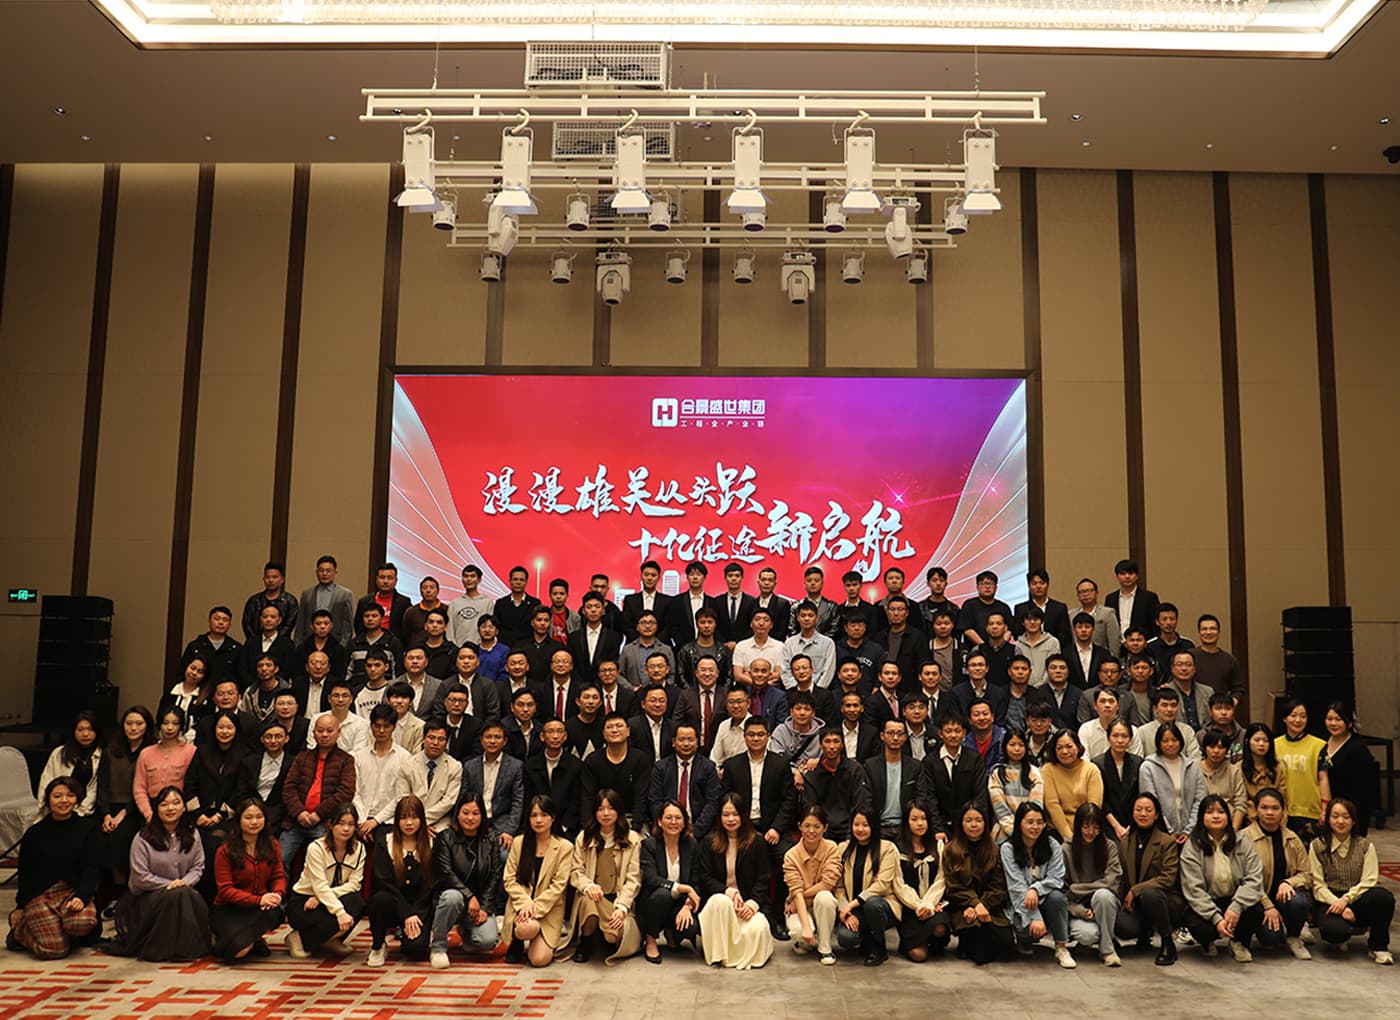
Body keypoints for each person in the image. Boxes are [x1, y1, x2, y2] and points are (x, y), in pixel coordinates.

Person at [106, 786, 209, 961]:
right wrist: (171, 885)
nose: (171, 808)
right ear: (156, 809)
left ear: (184, 807)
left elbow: (198, 867)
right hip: (148, 899)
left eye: (176, 803)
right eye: (164, 804)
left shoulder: (193, 833)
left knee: (185, 895)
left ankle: (184, 946)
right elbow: (140, 878)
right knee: (179, 894)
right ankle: (164, 948)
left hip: (183, 894)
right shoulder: (143, 837)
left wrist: (183, 883)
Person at [7, 777, 100, 959]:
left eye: (70, 795)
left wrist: (82, 896)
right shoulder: (34, 833)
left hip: (70, 892)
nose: (64, 801)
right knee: (54, 950)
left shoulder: (88, 829)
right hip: (40, 896)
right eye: (57, 796)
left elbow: (92, 869)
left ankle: (58, 932)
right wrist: (20, 906)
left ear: (77, 799)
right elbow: (26, 873)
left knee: (82, 922)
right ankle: (20, 931)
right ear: (48, 800)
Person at [1308, 797, 1394, 964]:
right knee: (1335, 932)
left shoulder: (1365, 846)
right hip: (1329, 901)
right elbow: (1317, 885)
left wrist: (1347, 900)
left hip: (1357, 898)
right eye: (1335, 816)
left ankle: (1379, 946)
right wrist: (1339, 905)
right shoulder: (1317, 846)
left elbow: (1369, 880)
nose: (1340, 821)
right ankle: (1341, 935)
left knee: (1383, 897)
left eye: (1346, 817)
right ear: (1328, 819)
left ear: (1353, 821)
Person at [1179, 795, 1264, 961]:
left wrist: (1236, 907)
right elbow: (1194, 889)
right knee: (1198, 925)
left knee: (1256, 910)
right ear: (1201, 817)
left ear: (1228, 816)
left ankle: (1238, 942)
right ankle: (1207, 942)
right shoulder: (1193, 846)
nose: (1216, 816)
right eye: (1209, 812)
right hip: (1208, 902)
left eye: (1221, 812)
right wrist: (1217, 919)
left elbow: (1254, 878)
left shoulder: (1242, 841)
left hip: (1235, 900)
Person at [696, 792, 774, 969]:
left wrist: (752, 904)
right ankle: (720, 955)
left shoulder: (757, 841)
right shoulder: (708, 842)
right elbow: (705, 878)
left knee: (758, 929)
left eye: (735, 814)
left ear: (744, 815)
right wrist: (729, 892)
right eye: (726, 814)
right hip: (720, 905)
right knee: (720, 900)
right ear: (719, 817)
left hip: (747, 903)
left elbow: (763, 878)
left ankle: (735, 955)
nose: (730, 819)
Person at [566, 788, 643, 964]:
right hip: (591, 896)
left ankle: (604, 936)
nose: (606, 813)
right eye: (600, 809)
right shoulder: (584, 838)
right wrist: (588, 886)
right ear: (594, 812)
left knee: (611, 936)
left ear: (619, 811)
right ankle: (585, 941)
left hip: (615, 900)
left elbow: (634, 878)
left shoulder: (631, 839)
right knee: (588, 900)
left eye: (611, 808)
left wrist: (622, 907)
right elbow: (576, 871)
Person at [284, 802, 366, 959]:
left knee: (357, 903)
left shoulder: (359, 848)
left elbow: (354, 885)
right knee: (336, 919)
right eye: (341, 823)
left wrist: (322, 898)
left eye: (351, 824)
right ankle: (298, 938)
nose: (346, 829)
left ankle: (329, 940)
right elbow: (319, 885)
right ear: (330, 824)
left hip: (323, 898)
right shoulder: (316, 848)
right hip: (304, 901)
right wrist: (339, 912)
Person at [429, 793, 503, 967]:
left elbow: (495, 876)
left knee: (487, 941)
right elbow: (446, 874)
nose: (470, 818)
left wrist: (485, 906)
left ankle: (466, 932)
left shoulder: (491, 839)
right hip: (450, 898)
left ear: (482, 816)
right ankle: (438, 947)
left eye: (475, 813)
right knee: (453, 897)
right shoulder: (445, 837)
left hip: (478, 905)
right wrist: (470, 897)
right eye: (466, 812)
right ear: (457, 814)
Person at [999, 802, 1076, 968]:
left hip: (1046, 900)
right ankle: (1024, 940)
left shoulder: (1052, 844)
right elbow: (1016, 889)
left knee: (1057, 897)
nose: (1035, 827)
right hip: (1021, 905)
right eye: (1030, 822)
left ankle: (1061, 948)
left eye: (1040, 822)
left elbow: (1057, 878)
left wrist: (1035, 889)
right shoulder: (1008, 848)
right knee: (1028, 933)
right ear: (1019, 823)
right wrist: (1035, 917)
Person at [1241, 787, 1313, 960]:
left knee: (1298, 900)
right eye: (1264, 808)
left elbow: (1307, 874)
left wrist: (1289, 883)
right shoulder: (1244, 838)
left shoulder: (1292, 838)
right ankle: (1241, 940)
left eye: (1275, 808)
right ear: (1256, 810)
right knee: (1271, 939)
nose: (1270, 812)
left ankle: (1294, 937)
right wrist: (1268, 906)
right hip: (1256, 900)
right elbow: (1242, 878)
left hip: (1283, 898)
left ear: (1283, 810)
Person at [211, 797, 286, 962]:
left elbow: (278, 876)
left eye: (259, 817)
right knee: (233, 953)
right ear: (239, 820)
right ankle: (247, 939)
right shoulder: (225, 850)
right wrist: (258, 899)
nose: (254, 822)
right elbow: (225, 890)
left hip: (259, 908)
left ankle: (251, 938)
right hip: (229, 908)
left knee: (275, 912)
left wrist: (277, 894)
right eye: (248, 817)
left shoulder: (272, 844)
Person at [501, 795, 573, 966]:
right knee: (528, 928)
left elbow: (559, 886)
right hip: (521, 907)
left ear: (553, 818)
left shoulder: (565, 847)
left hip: (548, 909)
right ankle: (517, 941)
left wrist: (534, 908)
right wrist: (525, 904)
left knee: (539, 960)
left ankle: (535, 936)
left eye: (544, 815)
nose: (538, 820)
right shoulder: (519, 843)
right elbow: (509, 879)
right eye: (533, 815)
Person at [281, 713, 358, 872]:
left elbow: (345, 792)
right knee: (280, 859)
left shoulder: (346, 760)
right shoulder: (302, 757)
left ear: (338, 732)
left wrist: (318, 813)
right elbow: (288, 788)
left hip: (325, 822)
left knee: (326, 863)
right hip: (296, 820)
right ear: (313, 733)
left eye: (329, 731)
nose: (324, 735)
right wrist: (300, 812)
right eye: (320, 730)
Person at [1113, 792, 1183, 965]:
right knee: (1121, 925)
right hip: (1136, 905)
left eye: (1148, 810)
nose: (1143, 814)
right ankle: (1144, 932)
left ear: (1157, 814)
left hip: (1165, 901)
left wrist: (1135, 890)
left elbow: (1168, 878)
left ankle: (1168, 942)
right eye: (1138, 809)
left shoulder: (1166, 842)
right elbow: (1121, 877)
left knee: (1150, 893)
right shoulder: (1126, 841)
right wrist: (1119, 901)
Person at [367, 795, 434, 965]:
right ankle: (378, 945)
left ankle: (415, 936)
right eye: (403, 818)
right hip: (393, 904)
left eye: (414, 817)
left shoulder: (432, 844)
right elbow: (384, 883)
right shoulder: (385, 842)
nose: (409, 823)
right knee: (379, 899)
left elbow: (430, 886)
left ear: (422, 819)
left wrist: (415, 914)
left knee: (415, 950)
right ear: (396, 820)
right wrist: (406, 913)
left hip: (420, 907)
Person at [941, 803, 1013, 965]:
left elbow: (998, 886)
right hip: (963, 907)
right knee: (981, 955)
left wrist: (983, 905)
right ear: (961, 823)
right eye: (968, 820)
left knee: (1007, 945)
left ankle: (972, 943)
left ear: (985, 823)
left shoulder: (993, 849)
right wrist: (974, 904)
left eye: (978, 820)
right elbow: (953, 887)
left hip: (990, 907)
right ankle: (966, 942)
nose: (974, 825)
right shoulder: (951, 850)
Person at [95, 705, 155, 895]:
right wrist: (106, 814)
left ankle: (125, 892)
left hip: (138, 807)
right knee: (97, 838)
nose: (133, 728)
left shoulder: (152, 751)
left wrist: (123, 814)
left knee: (121, 839)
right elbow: (102, 784)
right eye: (129, 723)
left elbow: (145, 788)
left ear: (147, 725)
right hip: (110, 807)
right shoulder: (111, 750)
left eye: (139, 723)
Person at [185, 709, 245, 895]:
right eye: (221, 727)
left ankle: (211, 894)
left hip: (227, 817)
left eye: (229, 727)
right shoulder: (202, 752)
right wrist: (198, 815)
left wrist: (220, 815)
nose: (224, 731)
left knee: (214, 844)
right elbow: (189, 784)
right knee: (190, 842)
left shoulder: (244, 755)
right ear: (214, 729)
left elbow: (241, 791)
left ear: (236, 730)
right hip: (198, 814)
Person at [833, 809, 902, 966]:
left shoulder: (887, 848)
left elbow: (882, 884)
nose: (860, 829)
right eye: (856, 824)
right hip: (854, 908)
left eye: (865, 825)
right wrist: (845, 910)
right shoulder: (843, 848)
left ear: (874, 826)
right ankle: (866, 938)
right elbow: (838, 887)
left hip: (882, 905)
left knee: (872, 904)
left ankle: (879, 947)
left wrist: (853, 903)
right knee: (846, 938)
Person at [638, 799, 702, 963]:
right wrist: (683, 888)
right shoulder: (649, 844)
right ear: (659, 821)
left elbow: (696, 882)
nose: (673, 822)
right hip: (654, 902)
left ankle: (671, 931)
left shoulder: (691, 845)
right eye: (668, 817)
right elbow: (651, 879)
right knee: (663, 895)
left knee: (691, 927)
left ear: (684, 822)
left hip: (678, 904)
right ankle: (651, 940)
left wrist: (687, 906)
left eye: (678, 818)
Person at [889, 799, 949, 962]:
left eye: (923, 818)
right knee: (919, 956)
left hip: (934, 905)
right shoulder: (896, 848)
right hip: (910, 908)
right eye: (914, 819)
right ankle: (911, 943)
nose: (920, 823)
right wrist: (918, 905)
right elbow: (898, 884)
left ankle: (934, 941)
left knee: (939, 928)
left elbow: (941, 879)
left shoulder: (938, 845)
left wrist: (929, 905)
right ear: (906, 821)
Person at [1063, 803, 1123, 966]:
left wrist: (1077, 889)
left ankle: (1107, 950)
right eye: (1086, 826)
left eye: (1096, 827)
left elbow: (1111, 882)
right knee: (1088, 935)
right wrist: (1079, 911)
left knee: (1103, 895)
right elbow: (1062, 891)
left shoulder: (1109, 847)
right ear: (1078, 826)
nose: (1091, 832)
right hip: (1079, 907)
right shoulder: (1066, 849)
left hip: (1105, 904)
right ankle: (1098, 938)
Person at [783, 804, 841, 965]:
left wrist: (799, 896)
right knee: (799, 931)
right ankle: (804, 941)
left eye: (817, 826)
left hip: (819, 904)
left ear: (825, 828)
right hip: (800, 905)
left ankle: (825, 948)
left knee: (824, 897)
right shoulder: (791, 855)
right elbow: (796, 891)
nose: (811, 831)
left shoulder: (832, 848)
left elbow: (827, 884)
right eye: (807, 826)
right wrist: (806, 927)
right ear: (799, 826)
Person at [1138, 723, 1205, 843]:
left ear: (1181, 741)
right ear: (1158, 743)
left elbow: (1199, 799)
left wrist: (1188, 830)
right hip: (1160, 833)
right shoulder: (1148, 767)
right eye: (1165, 741)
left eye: (1174, 740)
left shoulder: (1192, 766)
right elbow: (1151, 804)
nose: (1170, 744)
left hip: (1191, 833)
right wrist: (1169, 831)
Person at [1274, 699, 1330, 840]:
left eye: (1303, 716)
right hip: (1282, 810)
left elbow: (1323, 778)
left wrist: (1325, 808)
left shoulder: (1318, 745)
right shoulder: (1274, 745)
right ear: (1284, 718)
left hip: (1311, 811)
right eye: (1293, 715)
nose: (1298, 720)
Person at [1321, 702, 1377, 836]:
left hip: (1349, 811)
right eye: (1329, 719)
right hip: (1326, 809)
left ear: (1350, 722)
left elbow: (1361, 788)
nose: (1333, 723)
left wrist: (1350, 816)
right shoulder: (1322, 743)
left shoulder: (1358, 748)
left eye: (1338, 719)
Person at [37, 711, 102, 820]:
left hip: (87, 812)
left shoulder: (103, 754)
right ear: (74, 731)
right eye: (80, 730)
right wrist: (46, 807)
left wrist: (80, 811)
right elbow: (46, 781)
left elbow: (95, 789)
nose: (85, 734)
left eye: (90, 729)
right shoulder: (59, 753)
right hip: (58, 808)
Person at [1041, 729, 1103, 841]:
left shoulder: (1091, 770)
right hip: (1057, 830)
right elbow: (1052, 805)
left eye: (1069, 746)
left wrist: (1085, 833)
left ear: (1078, 747)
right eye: (1059, 748)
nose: (1064, 751)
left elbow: (1094, 805)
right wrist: (1068, 837)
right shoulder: (1048, 770)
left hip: (1087, 828)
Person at [987, 729, 1043, 843]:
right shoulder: (997, 773)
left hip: (1032, 829)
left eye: (1021, 745)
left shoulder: (1034, 772)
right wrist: (1015, 832)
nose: (1017, 749)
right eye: (1012, 745)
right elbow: (1000, 808)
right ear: (1005, 747)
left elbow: (1036, 806)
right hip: (1004, 830)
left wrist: (1027, 829)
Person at [1094, 719, 1143, 840]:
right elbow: (1101, 800)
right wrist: (1116, 826)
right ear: (1108, 737)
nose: (1120, 740)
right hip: (1107, 823)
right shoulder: (1097, 764)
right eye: (1115, 736)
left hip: (1134, 822)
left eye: (1124, 736)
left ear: (1130, 739)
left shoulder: (1138, 763)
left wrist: (1132, 825)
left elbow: (1140, 795)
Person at [296, 555, 356, 644]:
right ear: (316, 572)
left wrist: (342, 646)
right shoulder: (307, 594)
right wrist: (298, 644)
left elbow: (348, 624)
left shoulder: (345, 594)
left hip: (335, 642)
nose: (324, 574)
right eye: (321, 570)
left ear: (335, 572)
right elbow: (300, 622)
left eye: (328, 571)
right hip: (310, 642)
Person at [1200, 729, 1248, 829]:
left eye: (1221, 747)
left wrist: (1233, 831)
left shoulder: (1234, 771)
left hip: (1228, 823)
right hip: (1200, 824)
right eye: (1212, 747)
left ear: (1227, 750)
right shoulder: (1194, 769)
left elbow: (1241, 804)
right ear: (1205, 748)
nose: (1216, 751)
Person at [1242, 722, 1283, 821]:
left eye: (1265, 741)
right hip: (1248, 820)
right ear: (1247, 741)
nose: (1261, 744)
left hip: (1275, 820)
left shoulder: (1277, 768)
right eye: (1257, 740)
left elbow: (1283, 797)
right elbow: (1241, 801)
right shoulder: (1238, 769)